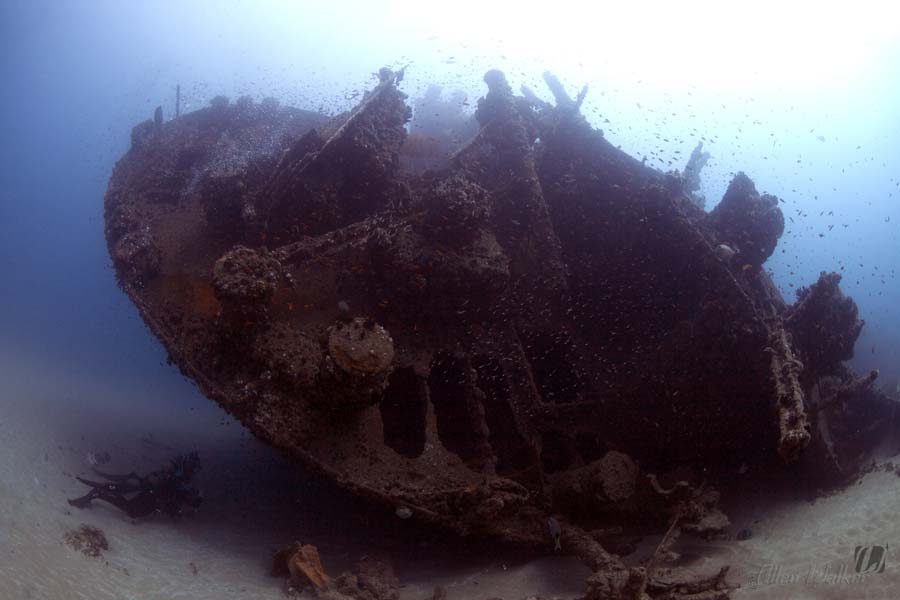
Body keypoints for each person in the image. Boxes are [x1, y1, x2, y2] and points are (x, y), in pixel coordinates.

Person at [68, 452, 202, 518]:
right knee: (131, 510)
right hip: (152, 495)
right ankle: (98, 493)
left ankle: (103, 489)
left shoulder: (180, 476)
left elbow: (171, 491)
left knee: (128, 492)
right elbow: (169, 491)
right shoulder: (179, 477)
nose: (194, 472)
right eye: (194, 469)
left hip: (151, 492)